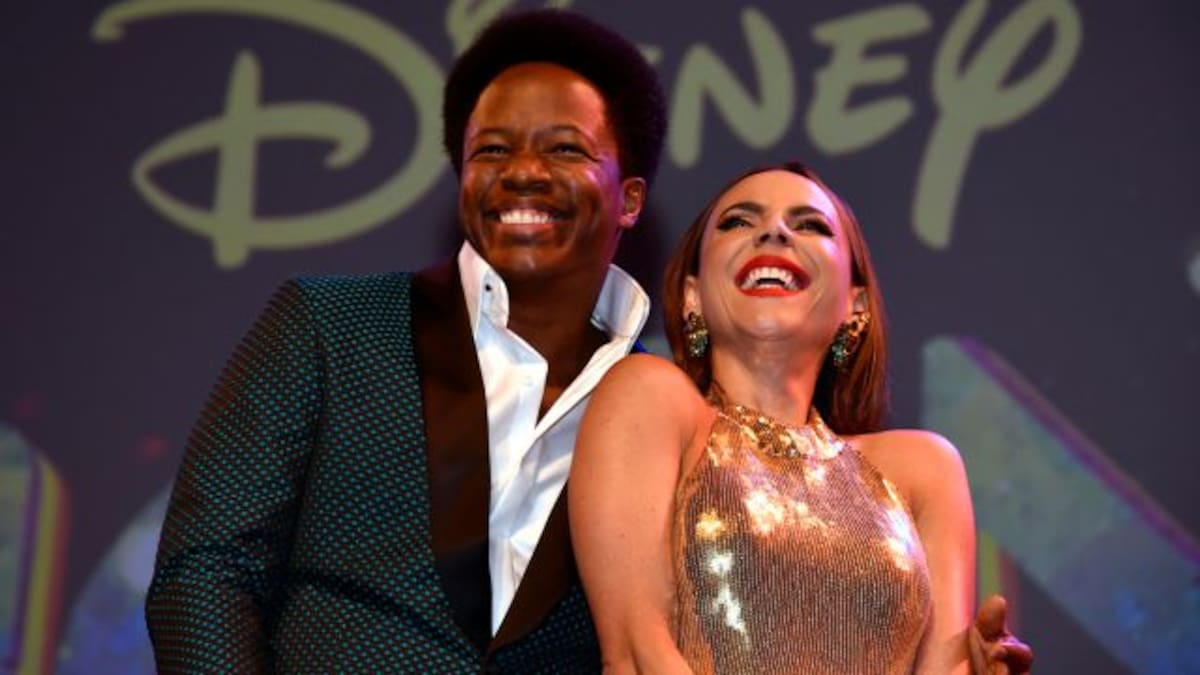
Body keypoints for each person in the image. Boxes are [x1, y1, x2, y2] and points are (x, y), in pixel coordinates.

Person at [145, 7, 1029, 672]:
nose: (523, 173)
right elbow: (205, 569)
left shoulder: (658, 406)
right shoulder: (333, 325)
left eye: (564, 149)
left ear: (629, 197)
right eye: (492, 151)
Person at [569, 161, 1033, 674]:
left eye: (810, 225)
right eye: (738, 221)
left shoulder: (924, 469)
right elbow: (636, 652)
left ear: (855, 305)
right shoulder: (650, 397)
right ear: (691, 297)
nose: (774, 232)